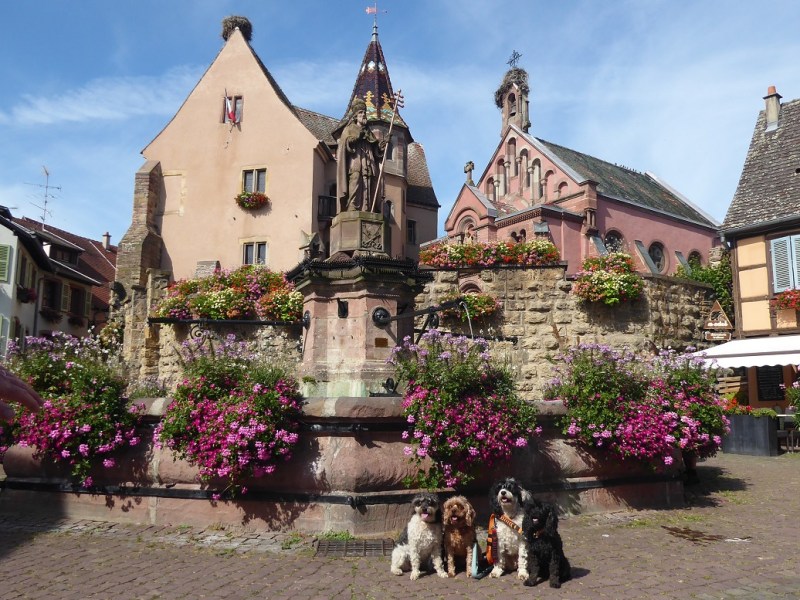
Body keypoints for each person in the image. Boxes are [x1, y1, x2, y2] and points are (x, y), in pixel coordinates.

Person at [336, 98, 387, 212]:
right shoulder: (349, 129)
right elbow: (344, 144)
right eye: (360, 113)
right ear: (355, 116)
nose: (363, 115)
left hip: (369, 161)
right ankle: (352, 208)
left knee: (369, 184)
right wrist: (356, 138)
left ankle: (368, 209)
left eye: (364, 112)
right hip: (355, 160)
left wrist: (381, 146)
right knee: (355, 181)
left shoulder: (369, 132)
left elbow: (375, 149)